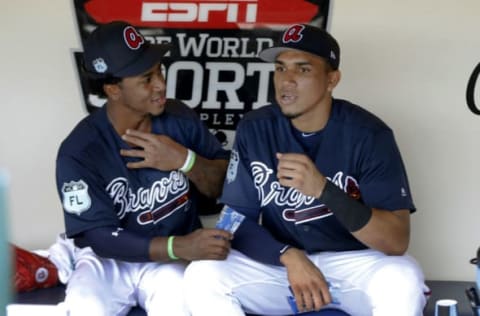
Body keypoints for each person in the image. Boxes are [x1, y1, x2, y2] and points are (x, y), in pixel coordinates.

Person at [184, 23, 428, 316]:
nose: (286, 81)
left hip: (354, 264)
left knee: (403, 279)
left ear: (331, 79)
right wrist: (287, 256)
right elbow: (237, 221)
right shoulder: (256, 128)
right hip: (283, 267)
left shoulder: (369, 135)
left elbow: (396, 240)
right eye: (280, 68)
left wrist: (324, 190)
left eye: (303, 69)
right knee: (202, 275)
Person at [55, 21, 232, 316]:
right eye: (146, 78)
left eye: (159, 71)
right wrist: (178, 246)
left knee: (181, 305)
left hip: (169, 264)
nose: (161, 84)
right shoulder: (80, 151)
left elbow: (224, 186)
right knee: (85, 307)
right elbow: (98, 237)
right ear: (113, 89)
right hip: (107, 262)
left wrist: (185, 160)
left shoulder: (180, 118)